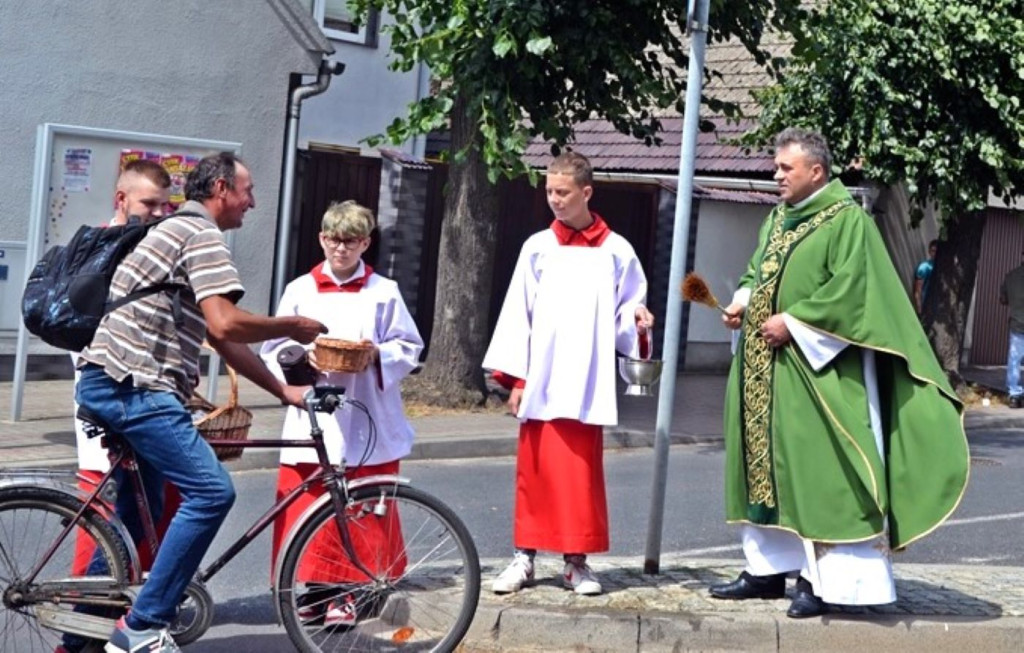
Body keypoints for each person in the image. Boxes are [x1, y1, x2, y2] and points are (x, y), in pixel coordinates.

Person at [711, 128, 969, 618]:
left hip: (822, 373)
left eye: (786, 168)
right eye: (776, 166)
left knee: (822, 474)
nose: (776, 175)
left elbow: (855, 293)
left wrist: (794, 321)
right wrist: (742, 301)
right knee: (768, 472)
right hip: (766, 370)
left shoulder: (848, 222)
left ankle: (823, 581)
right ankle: (765, 569)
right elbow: (756, 272)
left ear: (817, 171)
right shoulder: (777, 220)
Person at [76, 152, 327, 653]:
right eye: (247, 191)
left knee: (130, 521)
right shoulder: (200, 234)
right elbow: (227, 324)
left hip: (113, 381)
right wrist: (292, 325)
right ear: (219, 190)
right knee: (212, 492)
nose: (252, 202)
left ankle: (78, 638)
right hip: (134, 385)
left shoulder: (173, 232)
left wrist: (283, 392)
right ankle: (142, 625)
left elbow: (223, 339)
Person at [482, 151, 654, 597]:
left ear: (586, 192)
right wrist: (517, 380)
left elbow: (627, 313)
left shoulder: (617, 250)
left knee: (579, 474)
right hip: (541, 378)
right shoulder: (537, 247)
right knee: (533, 471)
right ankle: (524, 557)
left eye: (563, 192)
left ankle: (576, 563)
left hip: (587, 380)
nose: (555, 200)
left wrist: (638, 323)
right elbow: (518, 314)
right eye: (549, 192)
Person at [259, 200, 423, 626]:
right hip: (315, 411)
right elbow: (274, 347)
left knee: (361, 504)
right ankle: (313, 587)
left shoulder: (383, 291)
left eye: (350, 241)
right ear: (321, 238)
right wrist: (300, 359)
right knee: (313, 503)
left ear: (365, 243)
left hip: (366, 408)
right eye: (333, 239)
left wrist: (376, 355)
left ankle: (348, 592)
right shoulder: (300, 290)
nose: (340, 249)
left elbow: (409, 347)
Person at [60, 160, 184, 653]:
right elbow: (85, 330)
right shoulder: (99, 249)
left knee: (143, 513)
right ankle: (87, 635)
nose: (156, 214)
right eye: (147, 205)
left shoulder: (143, 246)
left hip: (144, 395)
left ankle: (114, 627)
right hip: (117, 397)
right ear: (121, 200)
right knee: (122, 522)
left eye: (162, 206)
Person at [999, 256, 1024, 408]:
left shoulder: (1011, 276)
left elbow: (1003, 299)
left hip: (1018, 324)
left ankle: (1014, 395)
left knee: (1014, 360)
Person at [913, 239, 938, 314]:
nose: (935, 254)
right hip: (925, 306)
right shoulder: (924, 267)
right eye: (933, 251)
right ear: (929, 251)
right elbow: (918, 290)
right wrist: (919, 310)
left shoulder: (942, 268)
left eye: (937, 251)